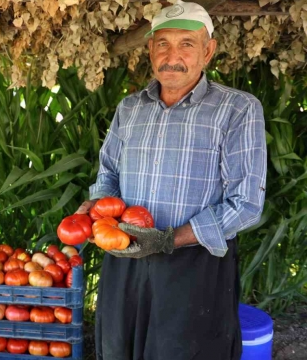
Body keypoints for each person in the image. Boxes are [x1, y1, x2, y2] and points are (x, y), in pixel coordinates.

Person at [77, 1, 267, 359]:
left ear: (208, 51)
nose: (172, 55)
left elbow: (246, 204)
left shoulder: (238, 109)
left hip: (195, 267)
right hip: (125, 256)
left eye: (187, 44)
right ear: (150, 49)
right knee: (118, 349)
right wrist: (97, 209)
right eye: (162, 43)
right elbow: (108, 175)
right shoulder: (130, 109)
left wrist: (168, 239)